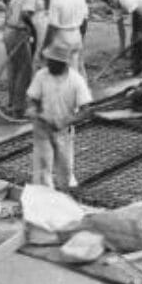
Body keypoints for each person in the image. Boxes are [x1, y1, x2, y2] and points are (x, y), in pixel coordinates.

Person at [26, 41, 93, 190]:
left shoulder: (76, 81)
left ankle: (66, 192)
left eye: (53, 62)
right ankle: (43, 195)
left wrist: (66, 121)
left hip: (63, 130)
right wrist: (34, 110)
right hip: (42, 128)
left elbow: (86, 110)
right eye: (49, 61)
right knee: (42, 169)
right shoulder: (41, 75)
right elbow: (33, 98)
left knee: (65, 168)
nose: (49, 65)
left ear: (63, 64)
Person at [3, 0, 39, 118]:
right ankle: (19, 109)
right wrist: (32, 28)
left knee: (13, 69)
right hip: (19, 32)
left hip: (9, 32)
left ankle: (11, 103)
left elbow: (7, 16)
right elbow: (25, 14)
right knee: (24, 71)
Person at [100, 0, 142, 77]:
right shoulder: (115, 8)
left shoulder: (126, 1)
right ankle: (136, 69)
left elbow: (141, 16)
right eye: (108, 3)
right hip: (137, 12)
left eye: (111, 1)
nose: (111, 4)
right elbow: (121, 29)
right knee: (135, 40)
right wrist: (122, 47)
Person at [44, 0, 89, 76]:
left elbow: (52, 27)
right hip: (76, 35)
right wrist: (80, 39)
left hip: (62, 38)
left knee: (60, 73)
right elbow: (84, 20)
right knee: (75, 69)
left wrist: (45, 46)